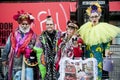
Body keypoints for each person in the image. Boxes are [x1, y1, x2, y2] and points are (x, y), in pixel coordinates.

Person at [78, 2, 120, 80]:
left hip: (98, 58)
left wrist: (107, 53)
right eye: (92, 17)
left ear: (99, 17)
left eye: (96, 16)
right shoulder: (86, 29)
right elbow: (81, 41)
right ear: (90, 18)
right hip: (88, 58)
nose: (94, 18)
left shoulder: (103, 29)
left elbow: (106, 43)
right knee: (88, 76)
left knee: (98, 76)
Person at [1, 10, 39, 80]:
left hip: (29, 64)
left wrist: (30, 50)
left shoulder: (34, 36)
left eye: (26, 24)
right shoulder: (13, 35)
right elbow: (7, 47)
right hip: (16, 63)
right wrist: (4, 59)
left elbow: (38, 49)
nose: (25, 26)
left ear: (30, 24)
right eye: (23, 24)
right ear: (20, 24)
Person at [34, 15, 61, 80]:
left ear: (54, 25)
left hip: (57, 63)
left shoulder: (59, 35)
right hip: (46, 64)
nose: (49, 26)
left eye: (51, 24)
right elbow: (37, 50)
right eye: (48, 24)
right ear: (45, 26)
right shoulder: (41, 37)